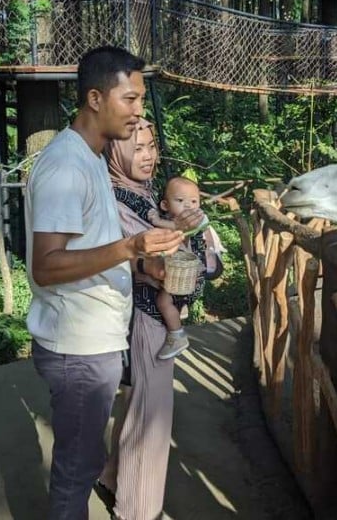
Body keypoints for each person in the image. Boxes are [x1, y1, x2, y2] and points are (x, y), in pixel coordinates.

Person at [24, 46, 185, 520]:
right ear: (95, 98)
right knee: (77, 472)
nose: (139, 112)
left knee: (86, 459)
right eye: (129, 99)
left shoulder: (92, 158)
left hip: (94, 340)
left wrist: (140, 268)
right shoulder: (65, 167)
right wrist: (131, 249)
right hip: (77, 347)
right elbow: (47, 266)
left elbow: (89, 247)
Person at [100, 119, 224, 520]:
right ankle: (136, 509)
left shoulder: (147, 194)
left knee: (140, 408)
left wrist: (196, 235)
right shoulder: (116, 200)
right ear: (115, 150)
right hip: (145, 319)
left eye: (152, 146)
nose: (149, 155)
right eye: (137, 148)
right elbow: (163, 267)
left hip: (154, 317)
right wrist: (190, 239)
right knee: (151, 418)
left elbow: (209, 264)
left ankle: (112, 478)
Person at [147, 176, 212, 360]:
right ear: (165, 205)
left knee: (162, 301)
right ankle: (180, 310)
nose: (189, 206)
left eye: (194, 201)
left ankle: (177, 334)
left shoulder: (196, 219)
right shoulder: (172, 218)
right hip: (172, 270)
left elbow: (177, 229)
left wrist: (157, 221)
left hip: (184, 273)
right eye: (180, 201)